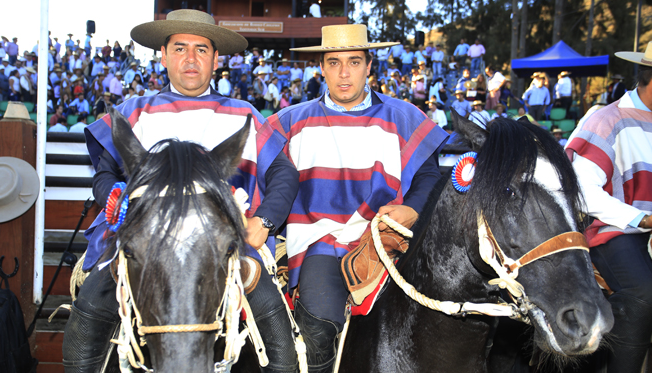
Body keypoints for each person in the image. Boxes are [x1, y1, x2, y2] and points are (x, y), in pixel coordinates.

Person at [63, 9, 301, 373]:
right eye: (180, 48)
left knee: (275, 320)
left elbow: (284, 172)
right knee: (93, 301)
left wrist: (265, 221)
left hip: (224, 244)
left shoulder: (245, 114)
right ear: (163, 55)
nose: (191, 59)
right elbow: (105, 172)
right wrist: (121, 202)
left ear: (216, 58)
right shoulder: (133, 112)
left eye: (201, 49)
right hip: (145, 240)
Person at [274, 25, 448, 372]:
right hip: (320, 241)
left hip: (391, 237)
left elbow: (429, 175)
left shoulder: (403, 115)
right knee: (320, 325)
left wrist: (411, 210)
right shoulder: (292, 121)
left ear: (369, 65)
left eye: (354, 61)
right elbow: (273, 183)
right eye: (333, 62)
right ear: (321, 67)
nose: (343, 73)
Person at [565, 41, 652, 373]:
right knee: (644, 290)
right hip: (611, 228)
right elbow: (583, 189)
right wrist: (643, 217)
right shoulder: (606, 120)